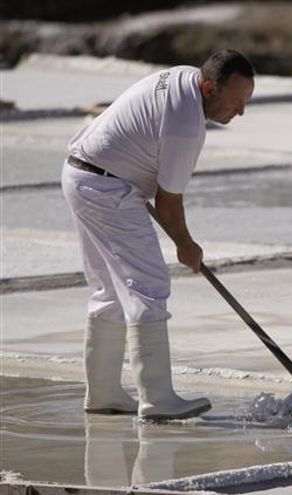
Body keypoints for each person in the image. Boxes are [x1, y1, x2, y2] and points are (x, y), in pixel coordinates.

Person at [62, 50, 256, 420]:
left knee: (109, 291)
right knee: (147, 286)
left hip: (82, 174)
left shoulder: (183, 75)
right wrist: (187, 245)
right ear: (210, 86)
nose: (240, 112)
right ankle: (157, 399)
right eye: (236, 102)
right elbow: (168, 204)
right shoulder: (186, 126)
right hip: (106, 187)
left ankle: (103, 395)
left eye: (246, 102)